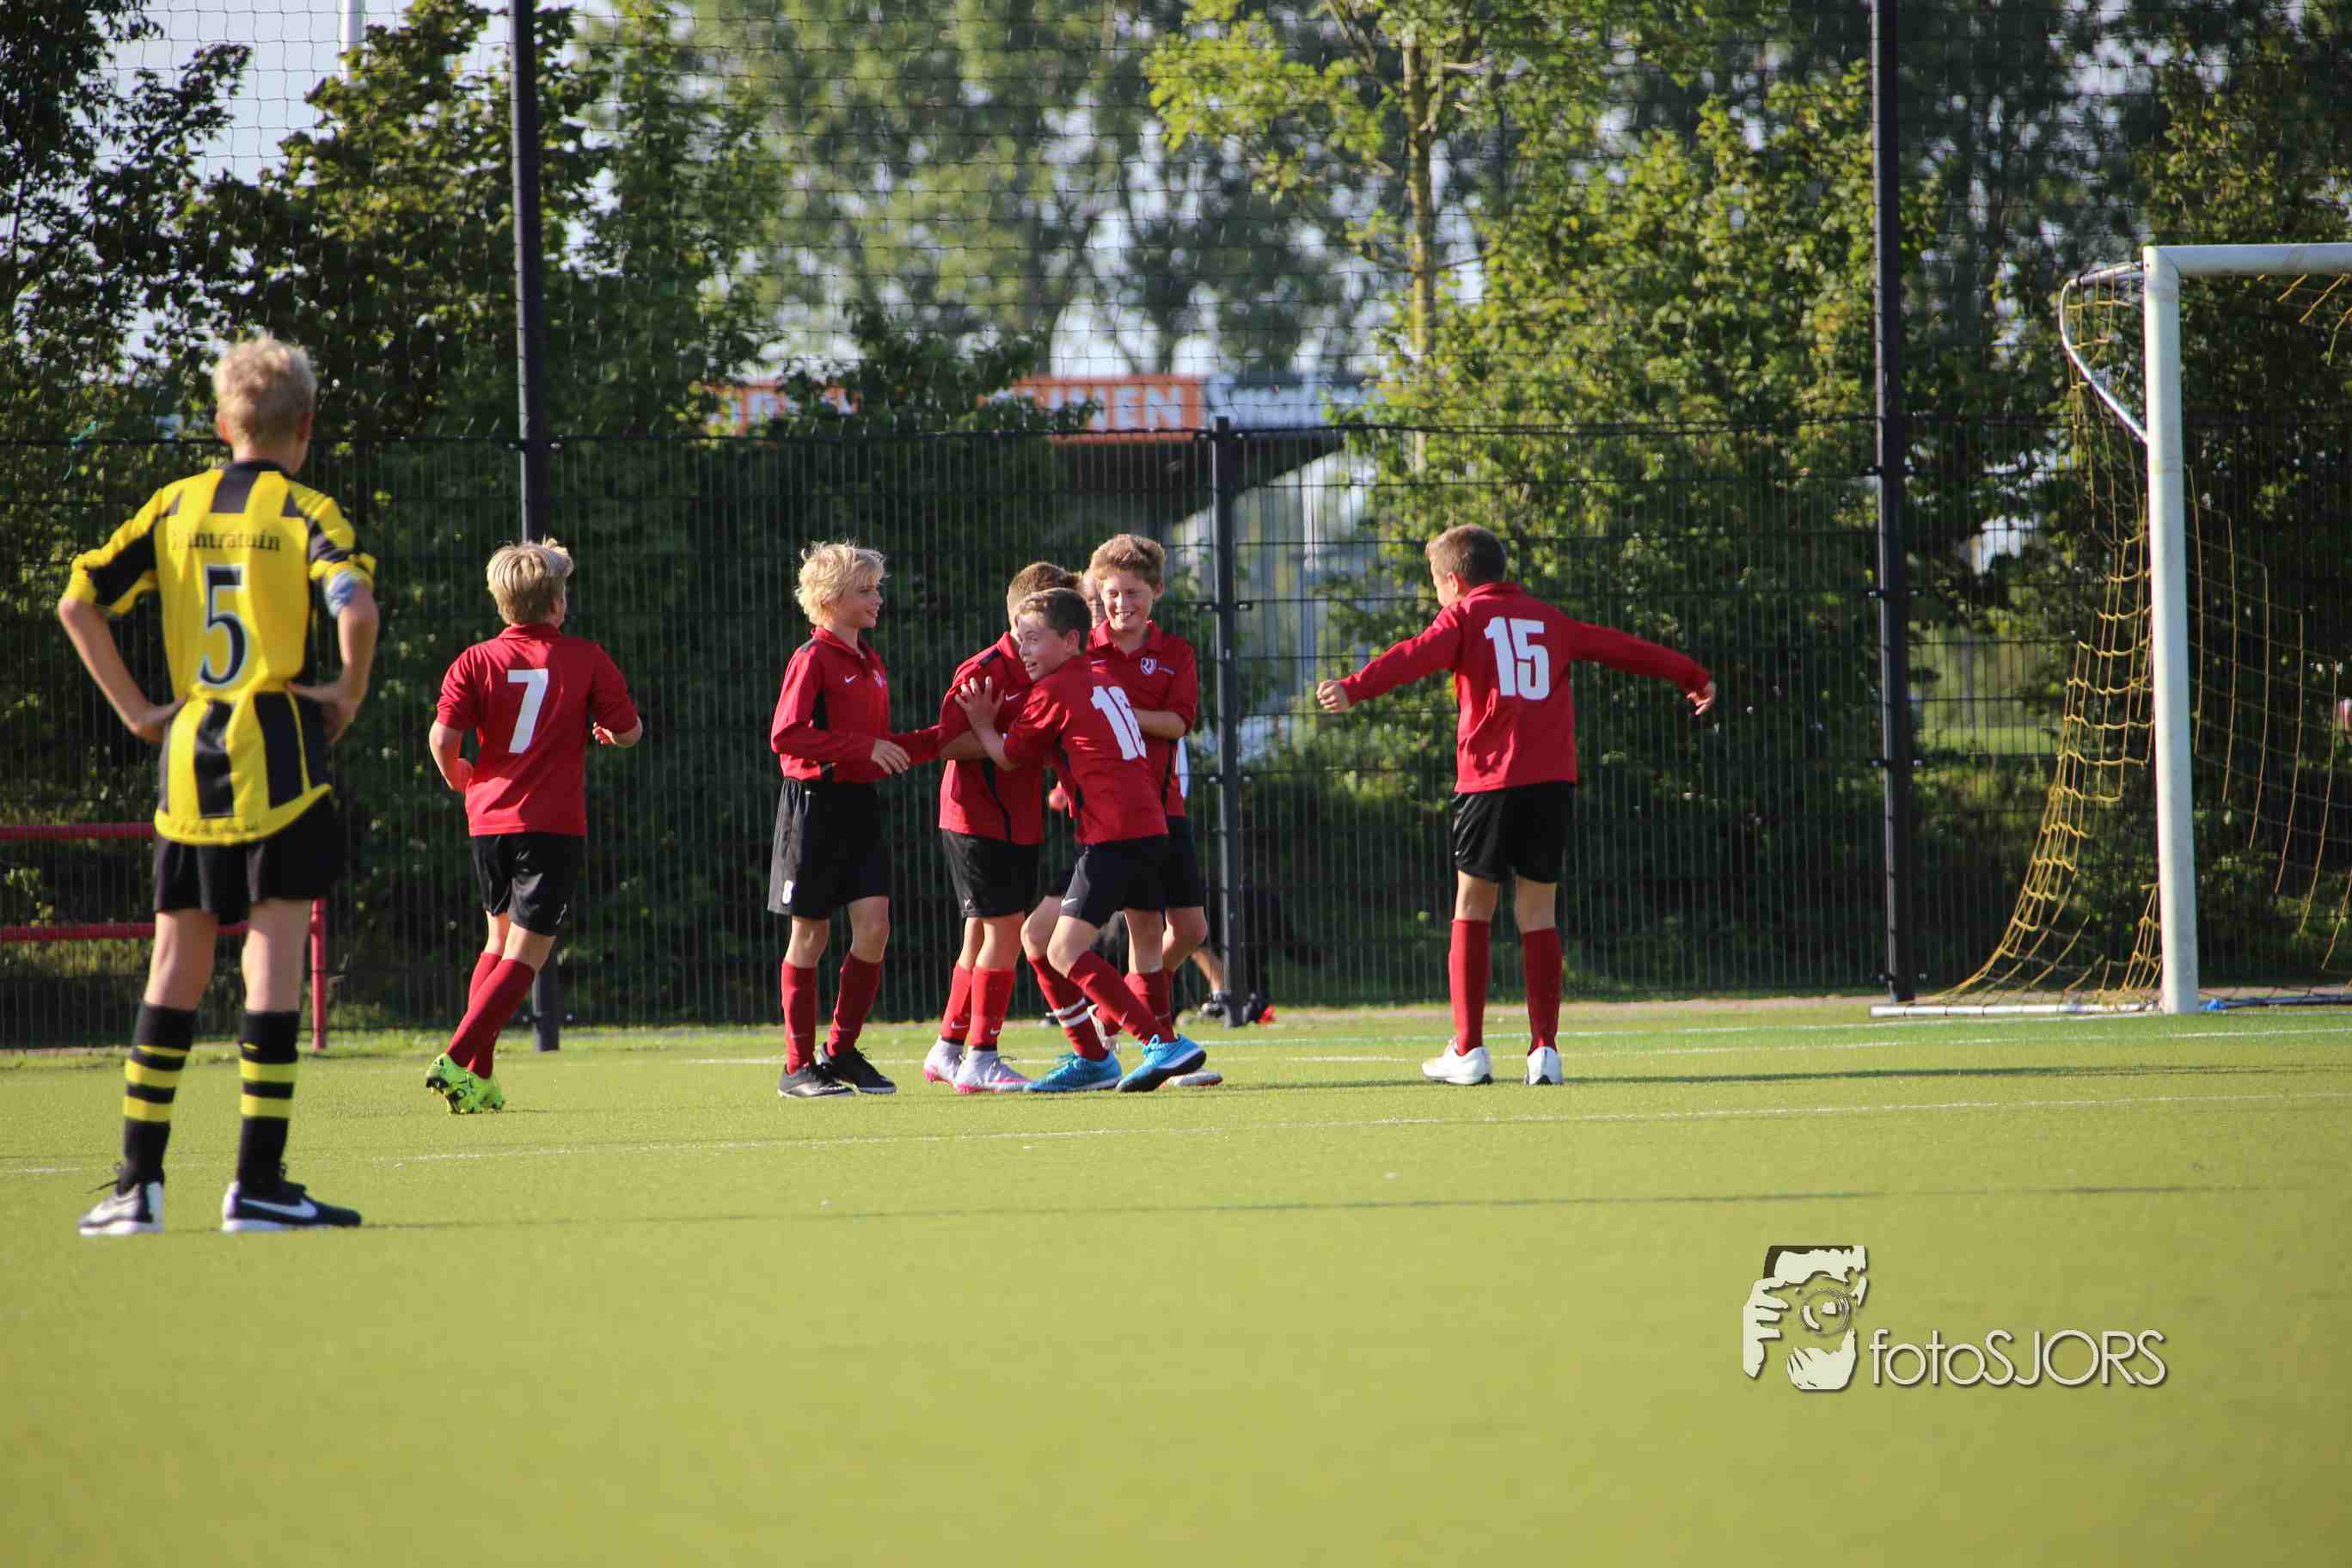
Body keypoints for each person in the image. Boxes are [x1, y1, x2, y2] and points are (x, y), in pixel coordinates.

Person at [60, 335, 377, 1234]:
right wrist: (346, 692)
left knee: (176, 961)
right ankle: (259, 1183)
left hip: (189, 752)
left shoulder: (174, 504)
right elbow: (355, 605)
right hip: (279, 748)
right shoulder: (306, 510)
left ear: (219, 423)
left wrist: (137, 711)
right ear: (305, 426)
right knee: (272, 958)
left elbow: (79, 600)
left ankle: (137, 1186)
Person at [1315, 524, 1715, 1087]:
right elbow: (1622, 648)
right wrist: (1690, 675)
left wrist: (1354, 686)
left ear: (1454, 581)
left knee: (1472, 907)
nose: (1437, 594)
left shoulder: (1462, 617)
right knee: (1539, 912)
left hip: (1490, 782)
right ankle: (1544, 1051)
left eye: (1435, 583)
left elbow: (1412, 655)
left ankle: (1469, 1050)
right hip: (1551, 783)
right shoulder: (1549, 619)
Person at [953, 587, 1206, 1093]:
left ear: (1070, 641)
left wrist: (981, 722)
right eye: (1019, 639)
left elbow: (1008, 756)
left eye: (1033, 638)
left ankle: (1160, 1043)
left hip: (1112, 835)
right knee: (1143, 944)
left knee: (1062, 950)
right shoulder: (1103, 678)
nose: (1023, 649)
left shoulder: (1053, 691)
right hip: (1151, 826)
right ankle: (1105, 1056)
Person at [425, 540, 642, 1113]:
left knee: (496, 943)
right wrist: (611, 734)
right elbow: (630, 730)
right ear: (558, 602)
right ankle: (456, 1058)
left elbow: (443, 739)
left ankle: (480, 1079)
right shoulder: (585, 657)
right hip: (550, 824)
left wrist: (457, 774)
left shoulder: (474, 660)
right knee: (527, 954)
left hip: (487, 820)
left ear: (502, 603)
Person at [769, 541, 941, 1098]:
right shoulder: (812, 658)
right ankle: (797, 1067)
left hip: (860, 806)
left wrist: (951, 734)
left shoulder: (869, 660)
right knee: (811, 932)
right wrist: (862, 748)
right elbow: (787, 735)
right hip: (813, 806)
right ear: (829, 600)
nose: (877, 599)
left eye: (876, 588)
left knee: (874, 928)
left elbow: (881, 747)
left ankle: (840, 1050)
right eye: (864, 590)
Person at [920, 561, 1083, 1094]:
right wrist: (1007, 742)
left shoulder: (1051, 669)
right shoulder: (984, 669)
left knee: (981, 933)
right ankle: (982, 1056)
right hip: (976, 818)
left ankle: (948, 1048)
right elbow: (946, 741)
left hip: (1019, 819)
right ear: (1021, 617)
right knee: (1005, 931)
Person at [1082, 534, 1205, 1044]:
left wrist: (1120, 712)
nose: (1121, 603)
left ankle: (1114, 1015)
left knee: (1191, 930)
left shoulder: (1175, 653)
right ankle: (1162, 1043)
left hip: (1166, 806)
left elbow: (1177, 723)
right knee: (1145, 930)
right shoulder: (1083, 653)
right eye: (1111, 593)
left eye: (1132, 592)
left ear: (1156, 592)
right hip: (1115, 816)